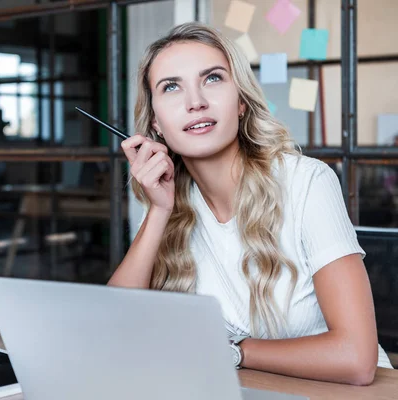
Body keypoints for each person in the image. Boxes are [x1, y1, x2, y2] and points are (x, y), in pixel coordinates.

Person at [108, 22, 393, 386]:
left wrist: (231, 350)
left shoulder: (307, 181)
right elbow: (115, 325)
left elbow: (356, 359)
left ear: (241, 101)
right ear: (155, 123)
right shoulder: (170, 200)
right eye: (171, 87)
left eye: (212, 79)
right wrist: (159, 210)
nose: (195, 102)